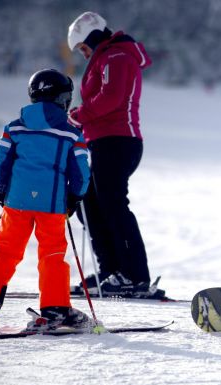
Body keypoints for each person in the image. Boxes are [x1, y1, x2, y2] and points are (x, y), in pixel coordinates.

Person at [0, 69, 91, 333]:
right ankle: (55, 310)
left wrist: (2, 191)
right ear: (60, 98)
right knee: (52, 255)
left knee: (4, 252)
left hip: (17, 202)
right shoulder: (70, 133)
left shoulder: (15, 127)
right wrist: (75, 196)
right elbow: (80, 170)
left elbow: (2, 163)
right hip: (52, 204)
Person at [66, 11, 153, 296]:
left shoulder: (117, 57)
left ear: (92, 37)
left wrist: (79, 116)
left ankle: (134, 275)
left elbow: (112, 97)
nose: (83, 53)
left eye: (82, 47)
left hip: (118, 140)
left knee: (113, 204)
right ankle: (111, 271)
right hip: (101, 141)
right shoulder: (105, 57)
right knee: (89, 203)